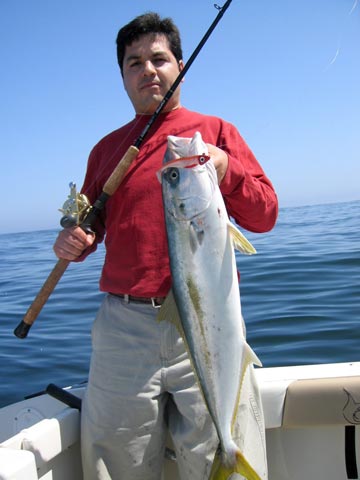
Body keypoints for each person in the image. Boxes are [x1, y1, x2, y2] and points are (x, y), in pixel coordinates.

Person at [53, 12, 278, 480]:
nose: (147, 70)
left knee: (222, 447)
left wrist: (226, 167)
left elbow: (264, 215)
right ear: (123, 77)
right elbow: (92, 224)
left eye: (159, 58)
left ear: (180, 65)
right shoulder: (105, 150)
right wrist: (74, 239)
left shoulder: (216, 132)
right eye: (134, 63)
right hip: (123, 326)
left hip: (207, 317)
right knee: (117, 458)